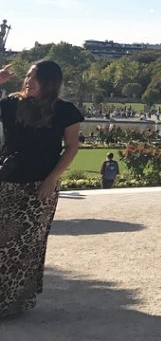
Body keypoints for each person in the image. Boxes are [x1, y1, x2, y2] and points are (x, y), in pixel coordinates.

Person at [0, 61, 83, 318]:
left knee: (27, 246)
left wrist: (52, 179)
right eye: (27, 76)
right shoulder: (12, 104)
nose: (28, 81)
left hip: (40, 187)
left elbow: (71, 148)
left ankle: (12, 302)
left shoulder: (65, 111)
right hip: (7, 182)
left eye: (34, 78)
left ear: (49, 82)